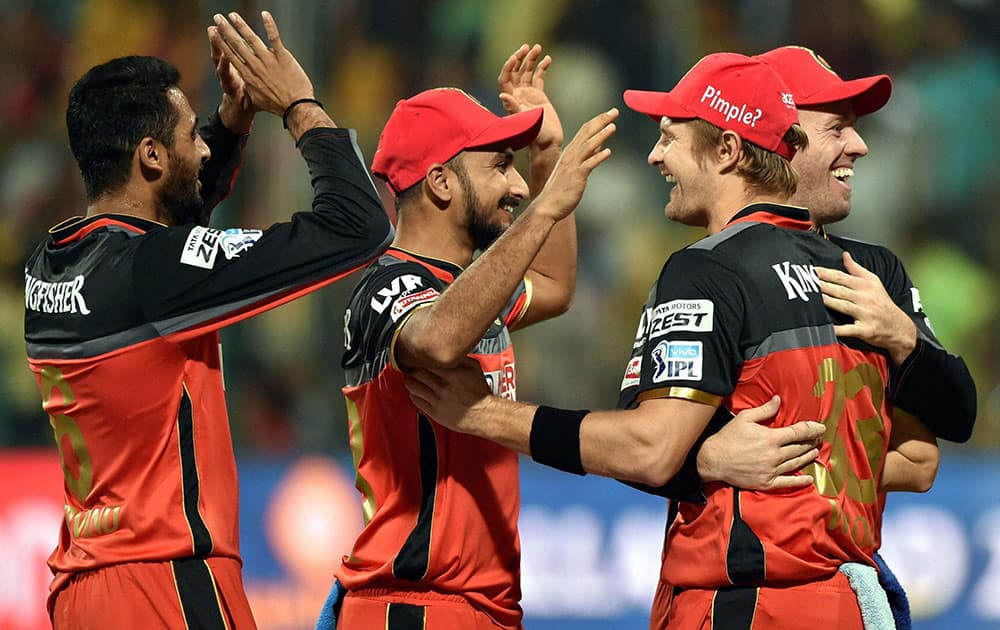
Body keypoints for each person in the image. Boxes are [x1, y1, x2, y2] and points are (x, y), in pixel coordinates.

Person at [406, 52, 913, 629]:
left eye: (670, 137)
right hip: (844, 601)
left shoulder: (708, 269)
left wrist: (487, 415)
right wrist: (705, 456)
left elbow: (649, 450)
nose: (655, 156)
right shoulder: (856, 274)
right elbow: (917, 459)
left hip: (748, 604)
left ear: (726, 150)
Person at [24, 11, 392, 629]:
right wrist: (299, 105)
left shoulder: (53, 262)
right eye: (192, 134)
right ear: (149, 155)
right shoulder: (153, 274)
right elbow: (360, 227)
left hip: (83, 590)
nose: (203, 148)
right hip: (169, 585)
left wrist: (231, 121)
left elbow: (172, 235)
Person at [331, 44, 622, 629]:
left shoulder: (471, 284)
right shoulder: (386, 286)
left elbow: (554, 284)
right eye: (499, 165)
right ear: (441, 181)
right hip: (414, 605)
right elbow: (437, 339)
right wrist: (543, 209)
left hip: (480, 605)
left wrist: (547, 158)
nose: (516, 187)